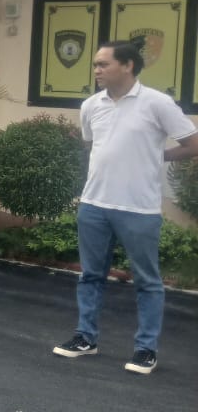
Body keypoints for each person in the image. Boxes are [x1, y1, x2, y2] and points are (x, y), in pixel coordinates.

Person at [52, 41, 198, 374]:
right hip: (93, 205)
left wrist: (159, 155)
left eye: (103, 64)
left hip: (139, 209)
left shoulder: (157, 103)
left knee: (147, 281)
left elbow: (192, 144)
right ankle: (85, 338)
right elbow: (92, 145)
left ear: (128, 65)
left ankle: (146, 349)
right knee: (90, 276)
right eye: (95, 65)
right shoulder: (91, 105)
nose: (96, 70)